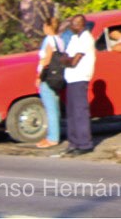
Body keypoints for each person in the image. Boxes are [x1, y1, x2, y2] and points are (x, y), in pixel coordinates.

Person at [63, 14, 96, 155]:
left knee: (79, 112)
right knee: (71, 112)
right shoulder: (74, 38)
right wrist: (65, 59)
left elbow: (73, 61)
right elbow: (66, 57)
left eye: (73, 24)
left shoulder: (86, 38)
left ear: (79, 24)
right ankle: (74, 141)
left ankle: (84, 144)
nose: (71, 26)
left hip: (80, 77)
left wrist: (65, 60)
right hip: (71, 78)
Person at [33, 17, 65, 148]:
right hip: (58, 76)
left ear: (48, 26)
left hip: (48, 77)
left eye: (44, 26)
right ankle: (55, 134)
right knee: (54, 106)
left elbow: (46, 60)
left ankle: (52, 138)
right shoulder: (60, 40)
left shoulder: (49, 40)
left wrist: (39, 76)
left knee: (50, 108)